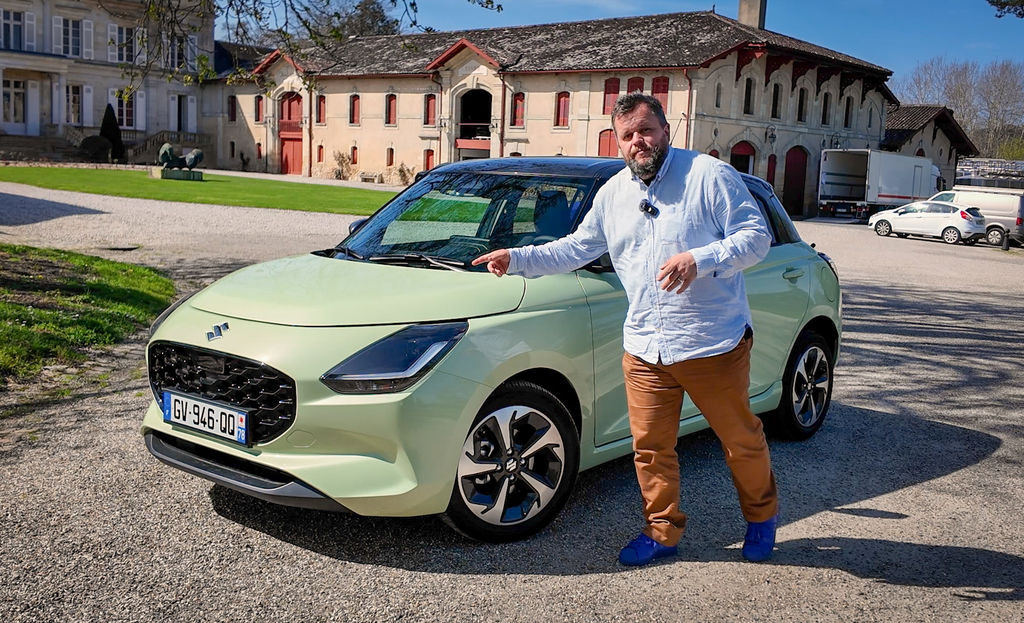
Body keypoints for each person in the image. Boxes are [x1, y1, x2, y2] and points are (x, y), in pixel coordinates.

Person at [471, 93, 778, 566]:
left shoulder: (709, 176)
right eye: (628, 135)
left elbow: (756, 238)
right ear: (617, 141)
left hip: (711, 342)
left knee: (740, 440)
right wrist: (518, 258)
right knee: (651, 449)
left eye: (646, 130)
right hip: (645, 349)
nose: (639, 141)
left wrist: (700, 259)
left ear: (666, 130)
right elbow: (577, 247)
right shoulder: (614, 193)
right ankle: (662, 531)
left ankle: (761, 517)